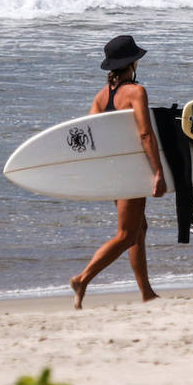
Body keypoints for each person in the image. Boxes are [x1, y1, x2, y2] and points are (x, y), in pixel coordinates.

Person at [70, 35, 167, 308]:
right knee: (126, 234)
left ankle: (147, 292)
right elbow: (146, 134)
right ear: (132, 63)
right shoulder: (136, 92)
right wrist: (157, 171)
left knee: (138, 228)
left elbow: (90, 136)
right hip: (132, 171)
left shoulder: (101, 97)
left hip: (114, 172)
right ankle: (83, 278)